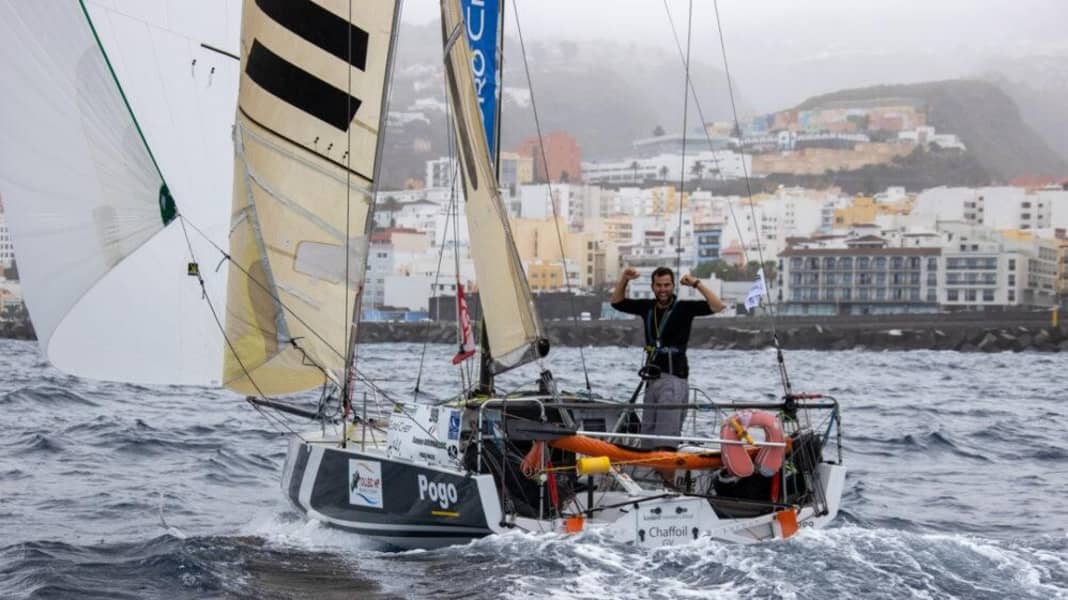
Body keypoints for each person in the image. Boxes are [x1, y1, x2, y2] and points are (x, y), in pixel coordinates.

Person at [611, 266, 725, 449]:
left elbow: (718, 306)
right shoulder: (647, 307)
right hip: (651, 381)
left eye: (667, 285)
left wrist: (696, 283)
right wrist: (625, 278)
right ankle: (649, 475)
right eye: (658, 285)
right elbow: (616, 302)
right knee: (647, 441)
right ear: (653, 286)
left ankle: (668, 476)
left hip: (673, 380)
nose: (663, 289)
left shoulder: (683, 308)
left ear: (673, 286)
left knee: (665, 444)